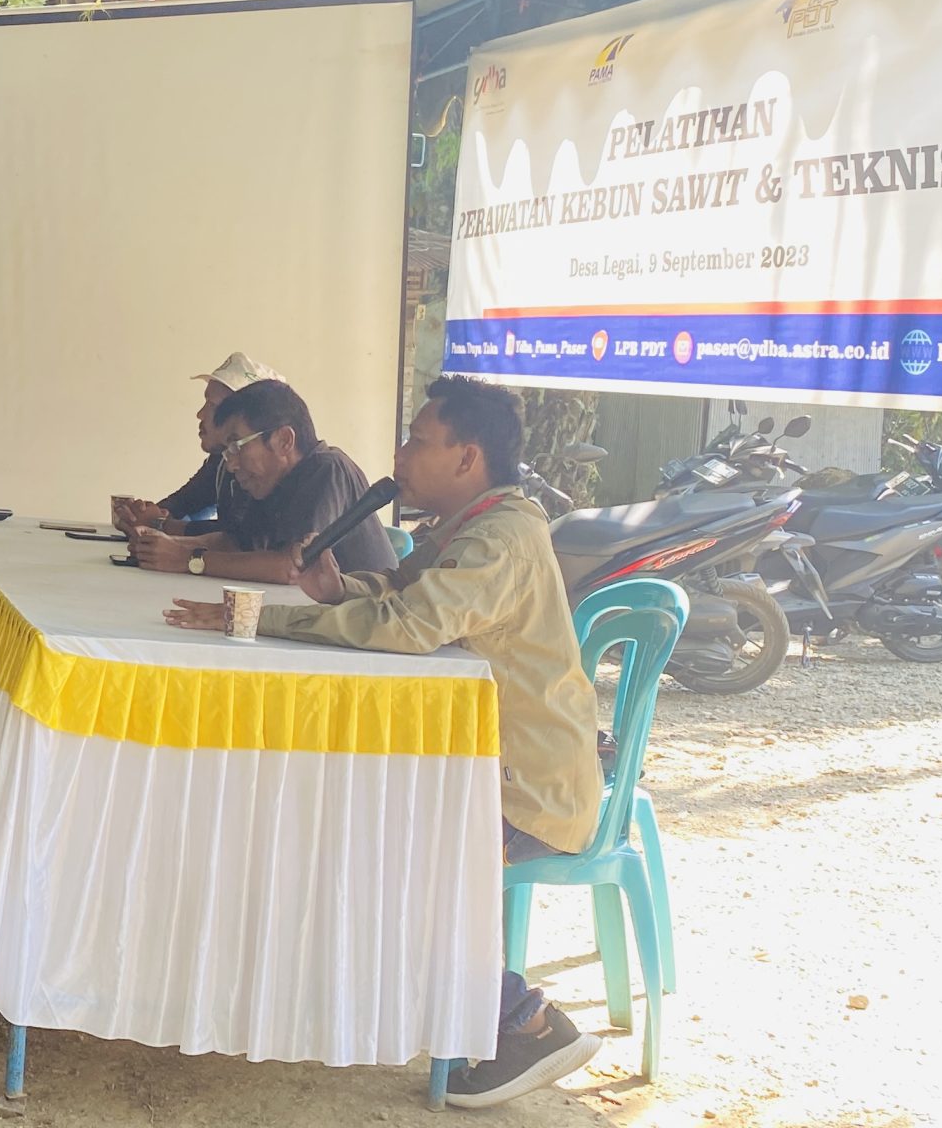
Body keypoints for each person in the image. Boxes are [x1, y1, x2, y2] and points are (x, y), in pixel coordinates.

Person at [165, 377, 604, 1108]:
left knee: (384, 858)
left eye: (417, 441)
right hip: (474, 770)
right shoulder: (474, 525)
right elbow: (402, 592)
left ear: (467, 457)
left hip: (522, 794)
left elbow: (406, 626)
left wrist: (264, 620)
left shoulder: (500, 539)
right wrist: (339, 592)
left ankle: (526, 1024)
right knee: (345, 827)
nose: (399, 454)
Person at [128, 378, 397, 583]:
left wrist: (188, 560)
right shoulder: (271, 481)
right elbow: (237, 544)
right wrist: (160, 544)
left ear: (284, 440)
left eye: (237, 446)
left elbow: (292, 567)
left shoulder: (326, 470)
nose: (231, 464)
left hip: (365, 628)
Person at [111, 352, 281, 536]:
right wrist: (141, 515)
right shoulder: (220, 461)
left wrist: (159, 524)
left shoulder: (266, 473)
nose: (200, 414)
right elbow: (185, 501)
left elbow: (240, 537)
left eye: (213, 406)